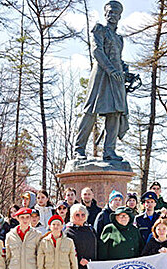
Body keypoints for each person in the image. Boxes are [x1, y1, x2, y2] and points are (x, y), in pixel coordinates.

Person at [73, 0, 128, 161]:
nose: (112, 15)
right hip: (101, 76)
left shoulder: (119, 38)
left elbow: (118, 58)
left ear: (119, 16)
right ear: (105, 14)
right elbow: (97, 51)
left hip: (116, 78)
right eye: (110, 12)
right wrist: (111, 70)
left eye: (116, 13)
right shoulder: (99, 30)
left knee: (116, 113)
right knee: (90, 111)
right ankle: (79, 149)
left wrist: (125, 70)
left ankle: (109, 151)